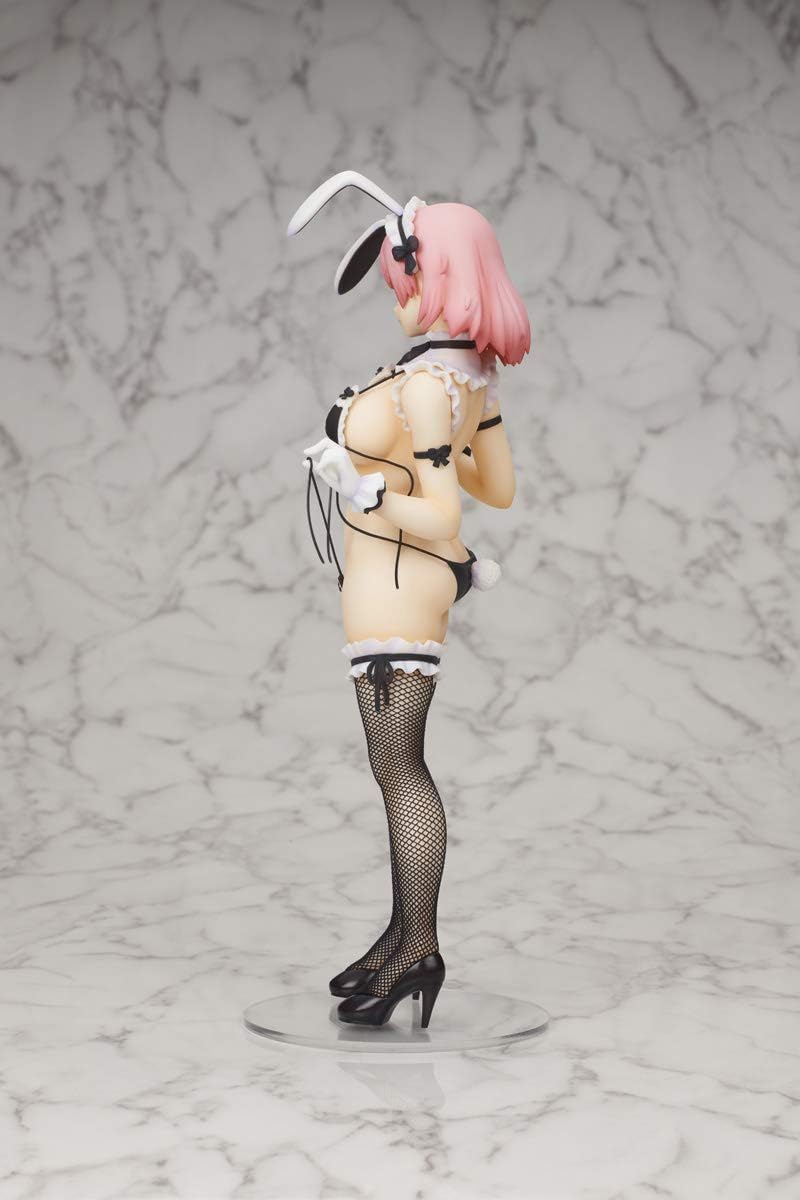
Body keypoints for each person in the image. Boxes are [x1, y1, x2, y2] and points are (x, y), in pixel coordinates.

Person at [287, 173, 531, 1028]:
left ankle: (417, 948)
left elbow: (445, 514)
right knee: (396, 766)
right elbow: (498, 486)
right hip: (398, 579)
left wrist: (362, 488)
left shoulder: (428, 385)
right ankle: (399, 938)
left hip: (395, 580)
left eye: (405, 281)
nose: (399, 300)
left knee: (399, 767)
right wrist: (443, 445)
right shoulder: (464, 380)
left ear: (439, 273)